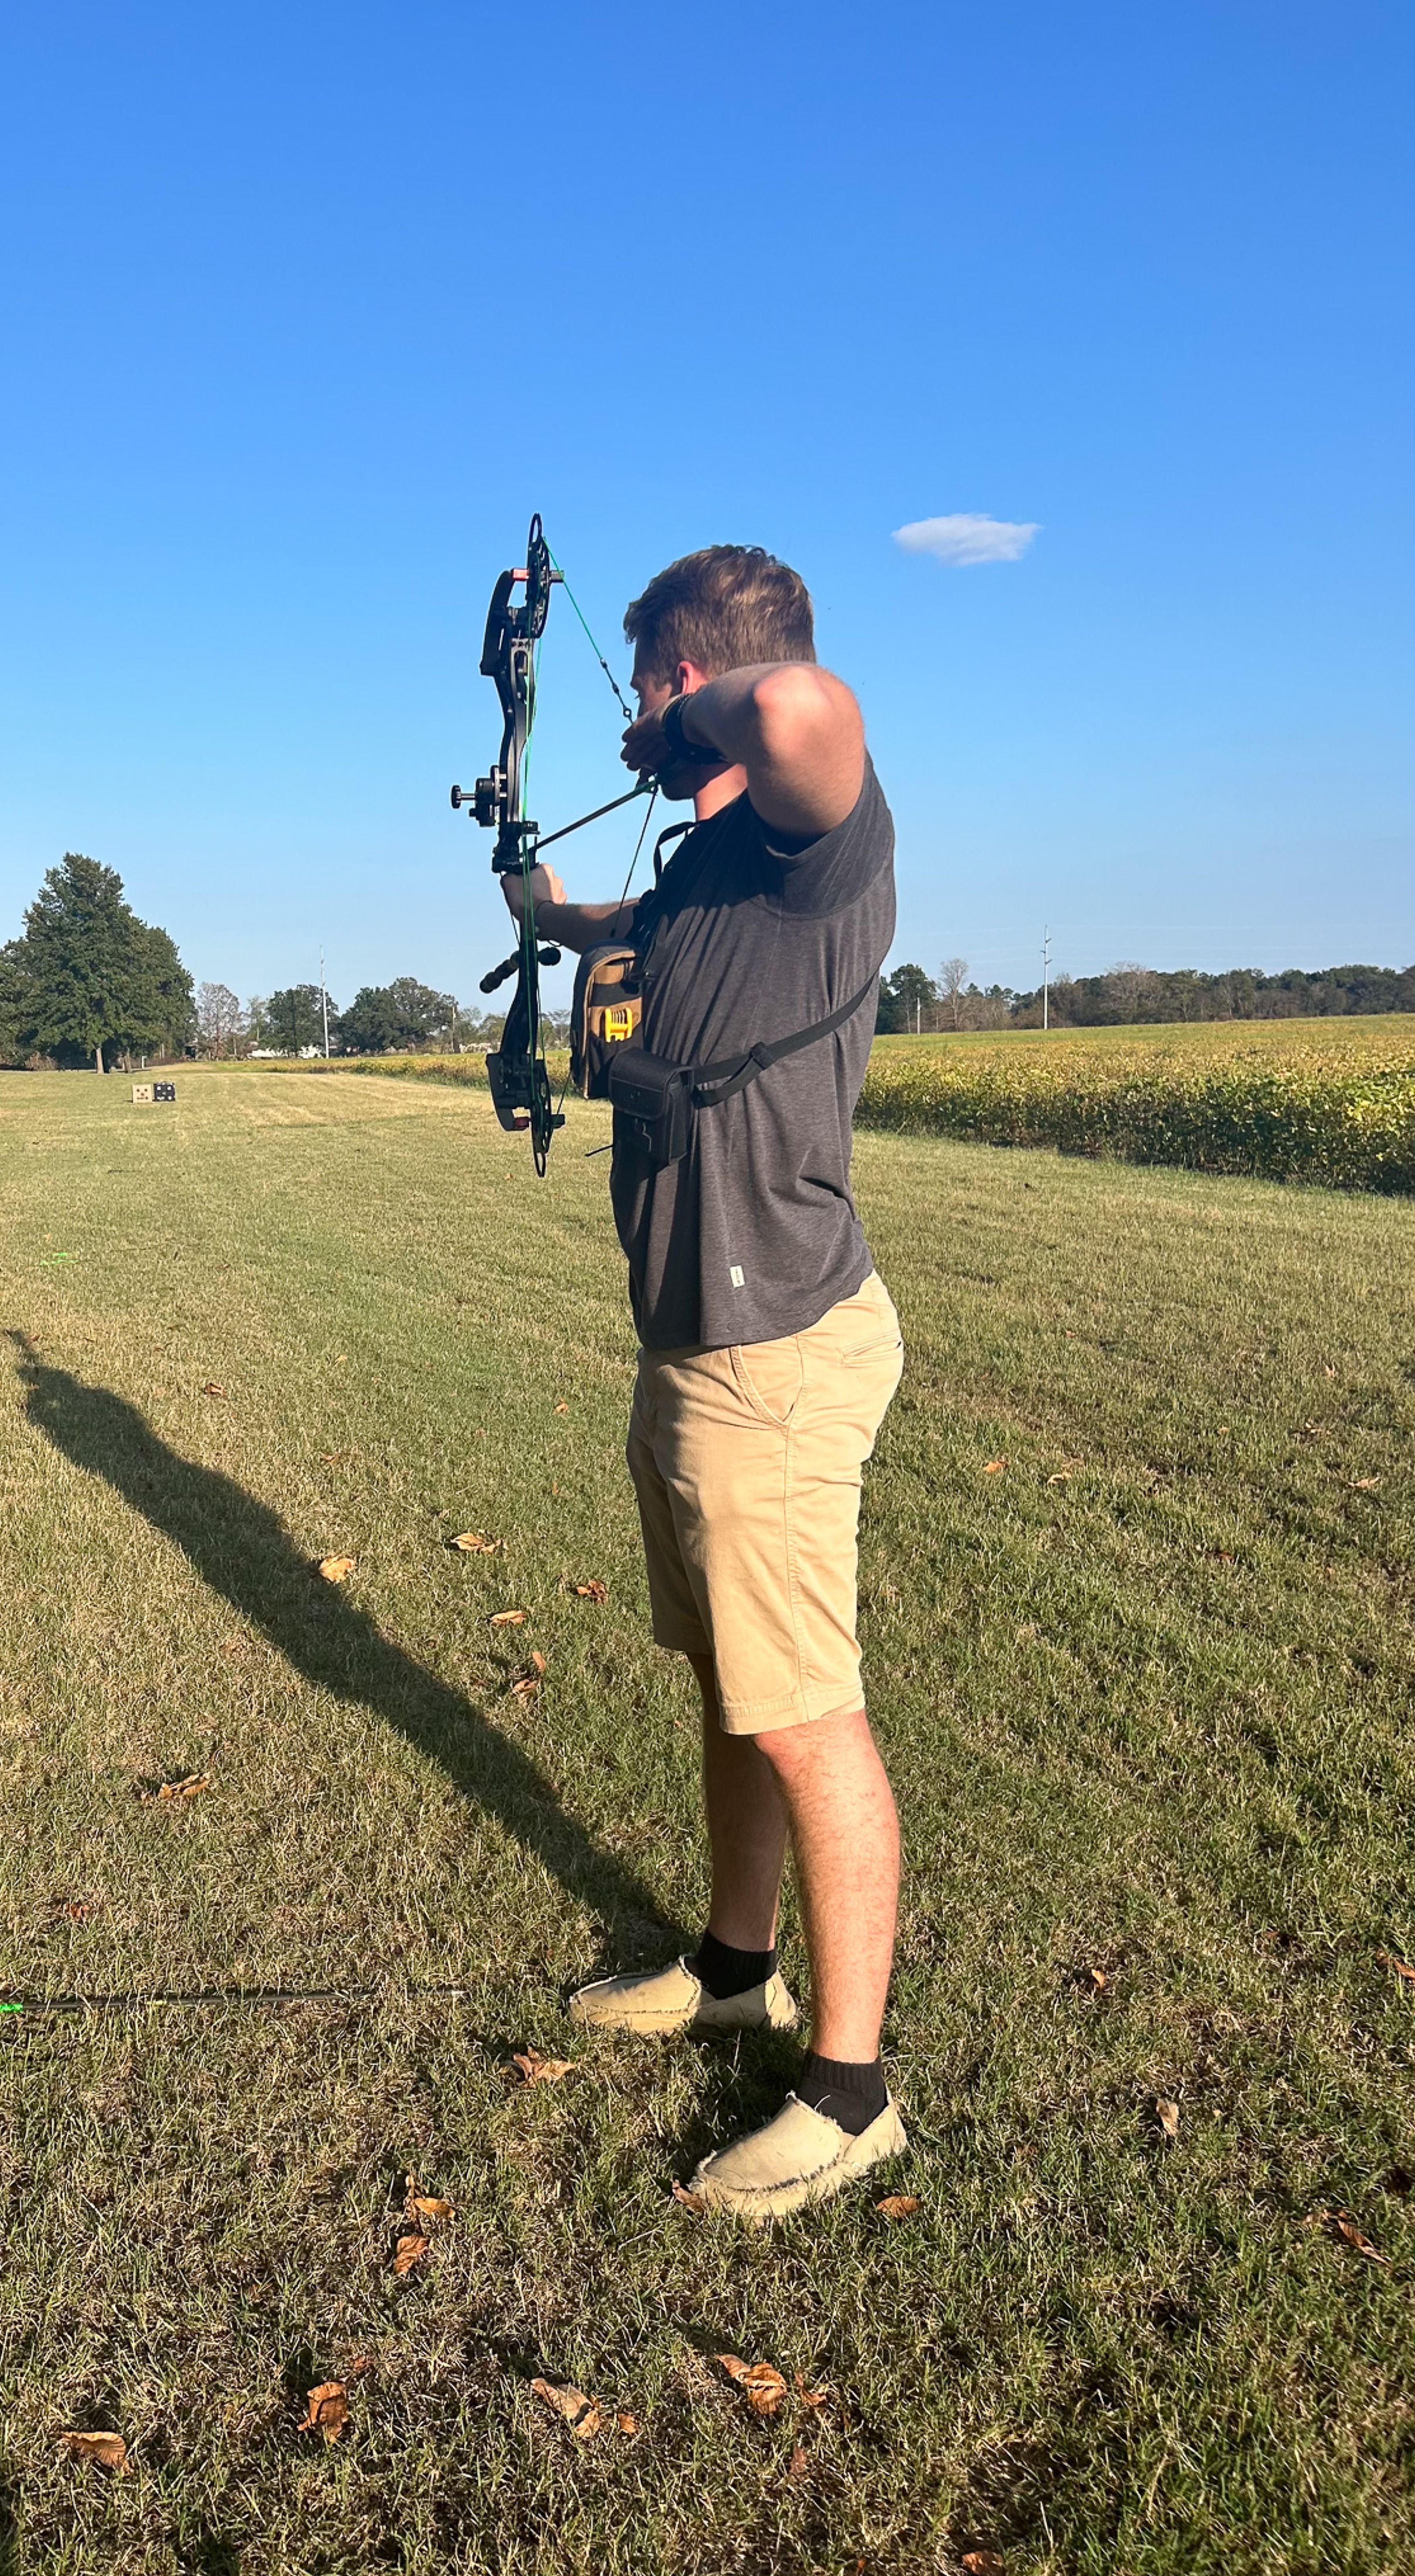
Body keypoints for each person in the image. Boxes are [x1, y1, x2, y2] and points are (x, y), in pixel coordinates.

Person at [504, 543, 905, 2224]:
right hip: (692, 1346)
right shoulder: (715, 872)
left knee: (807, 1714)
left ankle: (851, 2092)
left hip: (780, 1354)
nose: (637, 715)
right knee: (730, 1684)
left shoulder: (824, 842)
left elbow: (809, 704)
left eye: (651, 684)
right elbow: (631, 933)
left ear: (695, 678)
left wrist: (700, 712)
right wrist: (545, 910)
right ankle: (737, 1964)